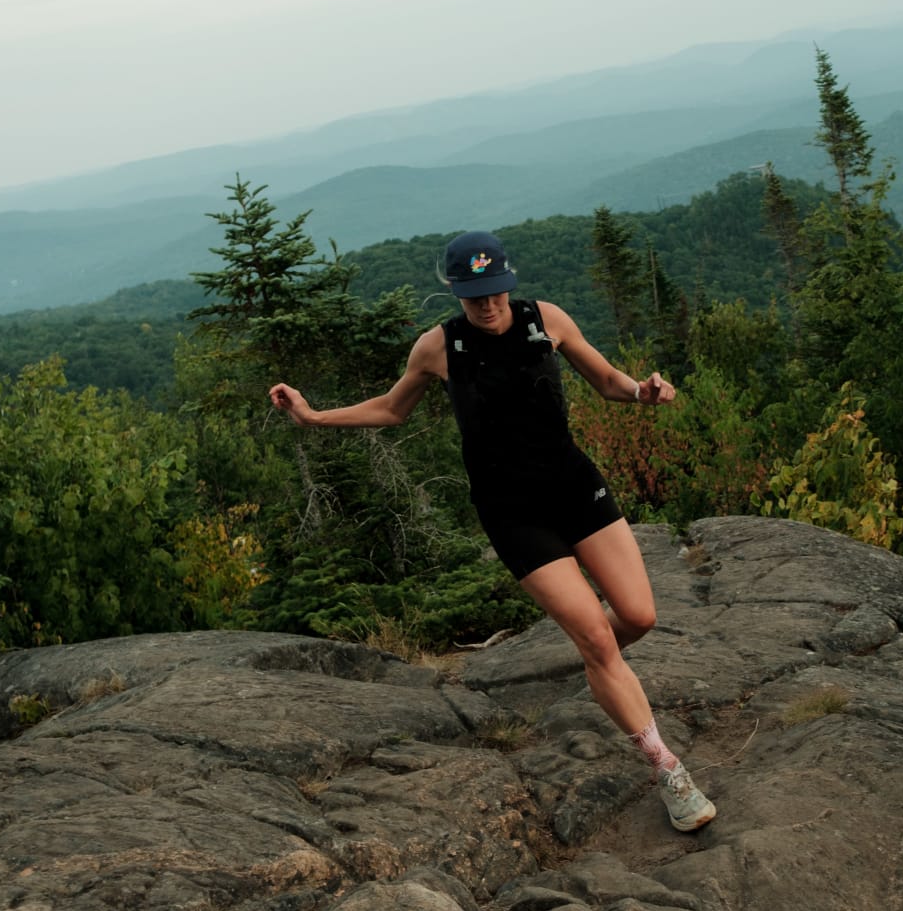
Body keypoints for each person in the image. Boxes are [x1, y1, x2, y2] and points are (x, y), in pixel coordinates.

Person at [268, 229, 716, 832]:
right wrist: (314, 415)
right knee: (599, 640)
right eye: (474, 296)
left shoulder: (547, 319)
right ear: (455, 292)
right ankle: (668, 770)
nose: (488, 305)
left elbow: (609, 382)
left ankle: (601, 667)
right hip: (513, 513)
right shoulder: (437, 347)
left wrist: (644, 391)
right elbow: (392, 409)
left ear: (511, 281)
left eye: (496, 292)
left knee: (638, 618)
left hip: (574, 486)